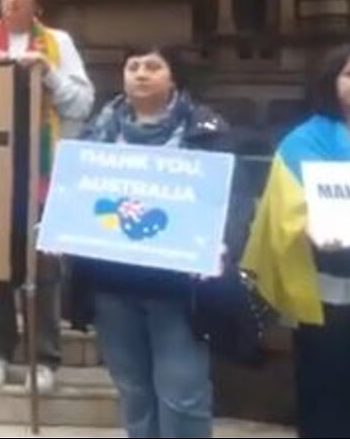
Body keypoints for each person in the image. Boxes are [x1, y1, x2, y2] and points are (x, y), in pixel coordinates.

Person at [242, 45, 350, 438]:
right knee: (324, 398)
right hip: (328, 293)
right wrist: (308, 227)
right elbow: (281, 208)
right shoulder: (304, 141)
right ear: (331, 82)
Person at [72, 46, 228, 437]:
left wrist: (223, 241)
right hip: (113, 284)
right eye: (133, 66)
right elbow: (76, 194)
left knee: (183, 395)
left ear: (173, 77)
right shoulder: (98, 131)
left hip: (179, 288)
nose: (141, 73)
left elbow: (231, 198)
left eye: (153, 67)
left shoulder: (206, 129)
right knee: (134, 392)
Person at [0, 0, 95, 394]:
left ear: (38, 1)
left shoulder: (59, 43)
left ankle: (44, 356)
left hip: (43, 172)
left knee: (44, 268)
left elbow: (81, 105)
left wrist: (48, 73)